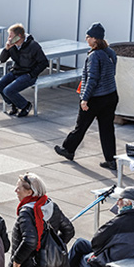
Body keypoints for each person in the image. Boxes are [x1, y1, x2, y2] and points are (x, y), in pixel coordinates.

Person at [54, 22, 118, 170]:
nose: (86, 39)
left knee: (81, 126)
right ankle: (111, 160)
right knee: (107, 129)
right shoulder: (110, 53)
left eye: (88, 36)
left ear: (95, 39)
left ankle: (68, 150)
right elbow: (111, 73)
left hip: (96, 98)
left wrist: (85, 98)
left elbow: (92, 79)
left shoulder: (95, 55)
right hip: (111, 95)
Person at [0, 23, 49, 117]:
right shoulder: (13, 46)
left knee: (8, 90)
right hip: (16, 72)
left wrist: (32, 74)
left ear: (19, 36)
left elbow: (44, 62)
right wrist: (6, 49)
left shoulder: (33, 45)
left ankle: (25, 105)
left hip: (28, 75)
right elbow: (2, 60)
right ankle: (14, 104)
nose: (9, 38)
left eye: (11, 36)